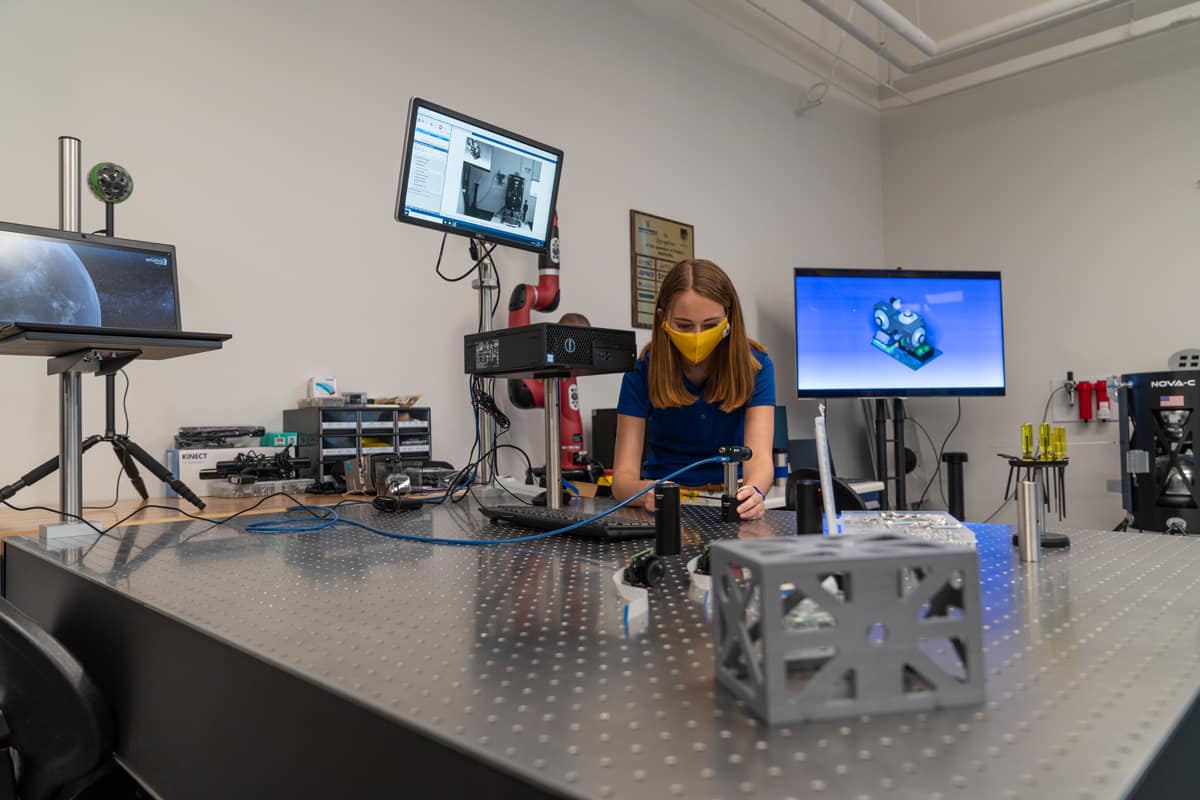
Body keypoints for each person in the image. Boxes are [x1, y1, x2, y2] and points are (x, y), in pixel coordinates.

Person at [612, 259, 775, 519]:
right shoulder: (642, 370)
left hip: (732, 500)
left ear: (729, 317)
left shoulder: (757, 366)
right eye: (684, 326)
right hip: (666, 507)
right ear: (663, 319)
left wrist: (754, 492)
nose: (698, 335)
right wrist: (647, 491)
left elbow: (760, 459)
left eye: (711, 325)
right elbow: (622, 480)